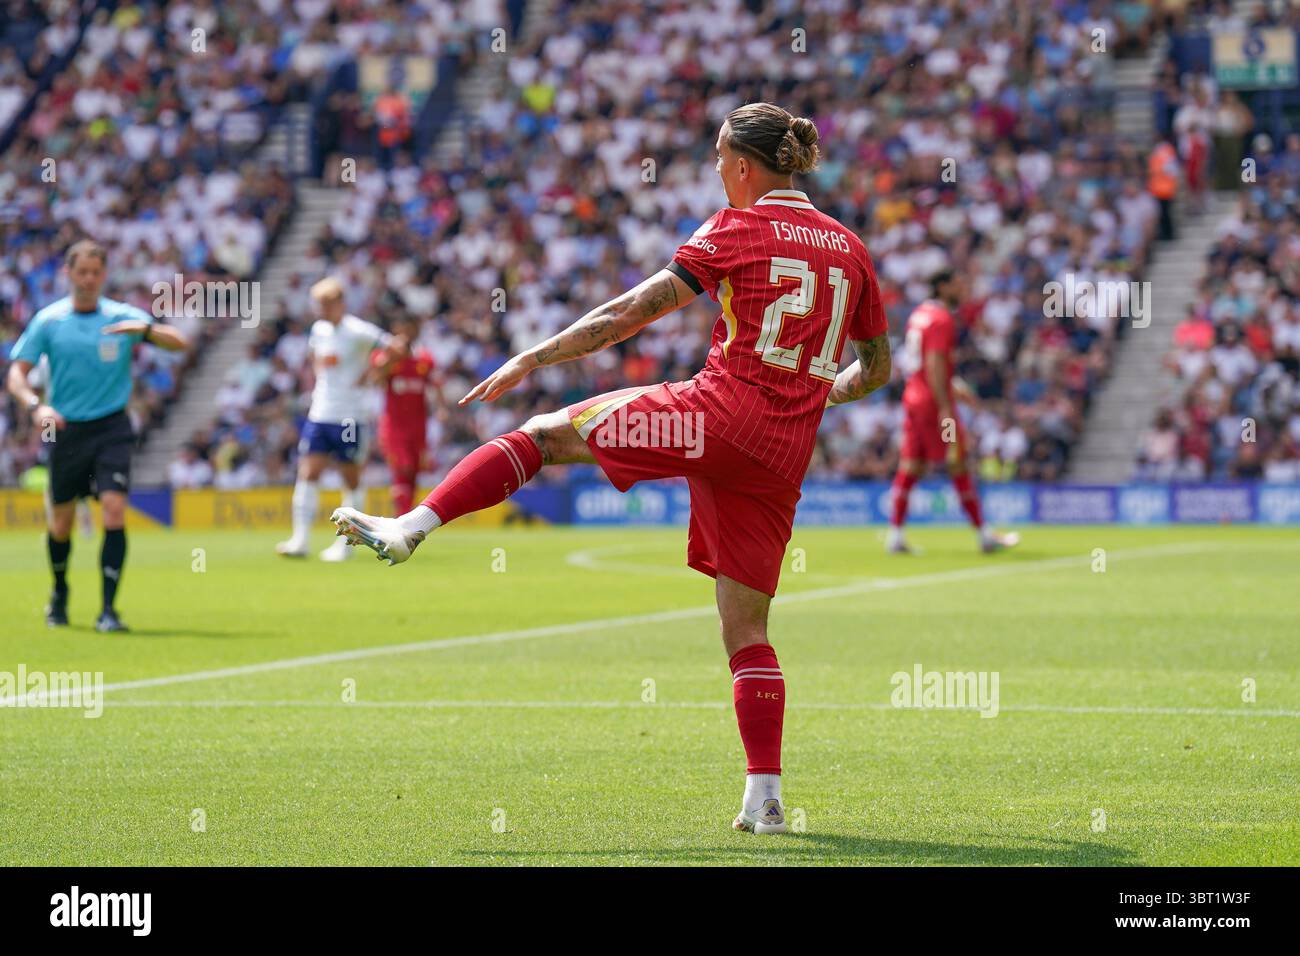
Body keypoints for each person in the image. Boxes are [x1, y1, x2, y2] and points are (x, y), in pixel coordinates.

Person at [331, 103, 892, 834]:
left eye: (721, 157)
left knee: (546, 433)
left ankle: (412, 524)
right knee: (747, 629)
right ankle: (766, 797)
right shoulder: (850, 248)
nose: (718, 169)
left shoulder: (735, 227)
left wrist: (536, 354)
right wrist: (824, 393)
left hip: (715, 416)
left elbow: (630, 312)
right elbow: (877, 368)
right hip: (783, 452)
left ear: (747, 166)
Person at [4, 239, 189, 631]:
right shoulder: (49, 321)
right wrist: (37, 407)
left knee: (114, 509)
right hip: (66, 429)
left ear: (104, 275)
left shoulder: (122, 317)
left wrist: (148, 330)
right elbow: (17, 373)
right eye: (81, 272)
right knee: (61, 524)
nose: (88, 279)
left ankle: (109, 610)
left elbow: (179, 343)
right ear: (68, 274)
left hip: (112, 426)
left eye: (96, 272)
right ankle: (59, 590)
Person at [887, 270, 1018, 555]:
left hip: (913, 398)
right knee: (958, 460)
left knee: (912, 465)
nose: (963, 288)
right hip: (935, 405)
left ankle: (895, 535)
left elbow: (924, 366)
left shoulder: (920, 314)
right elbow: (934, 365)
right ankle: (985, 536)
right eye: (958, 283)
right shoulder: (942, 319)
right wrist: (947, 405)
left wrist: (955, 389)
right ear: (943, 286)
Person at [276, 277, 403, 561]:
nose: (319, 309)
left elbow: (396, 347)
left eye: (324, 304)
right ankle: (300, 539)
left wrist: (373, 374)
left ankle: (347, 546)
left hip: (349, 417)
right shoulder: (319, 330)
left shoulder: (358, 330)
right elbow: (316, 359)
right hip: (320, 413)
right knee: (308, 473)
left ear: (339, 303)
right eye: (317, 304)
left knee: (350, 479)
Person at [368, 317, 436, 515]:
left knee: (413, 472)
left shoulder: (425, 359)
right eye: (401, 330)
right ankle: (403, 518)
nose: (405, 335)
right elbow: (376, 378)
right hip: (394, 426)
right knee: (402, 467)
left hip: (418, 426)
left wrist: (441, 408)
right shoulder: (385, 357)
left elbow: (434, 385)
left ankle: (405, 515)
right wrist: (391, 357)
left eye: (409, 329)